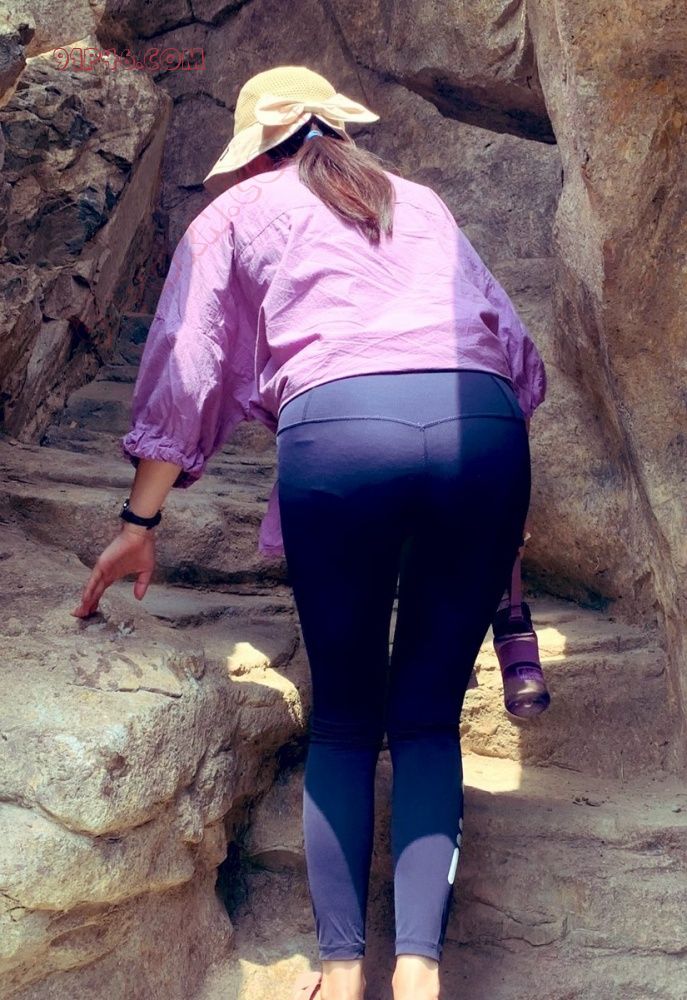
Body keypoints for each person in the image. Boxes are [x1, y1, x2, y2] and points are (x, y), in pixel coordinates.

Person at [72, 65, 547, 1000]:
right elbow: (514, 352)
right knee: (426, 719)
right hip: (483, 434)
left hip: (342, 438)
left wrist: (140, 520)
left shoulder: (234, 214)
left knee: (343, 720)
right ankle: (419, 973)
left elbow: (188, 363)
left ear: (255, 153)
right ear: (340, 132)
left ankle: (338, 970)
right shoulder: (418, 201)